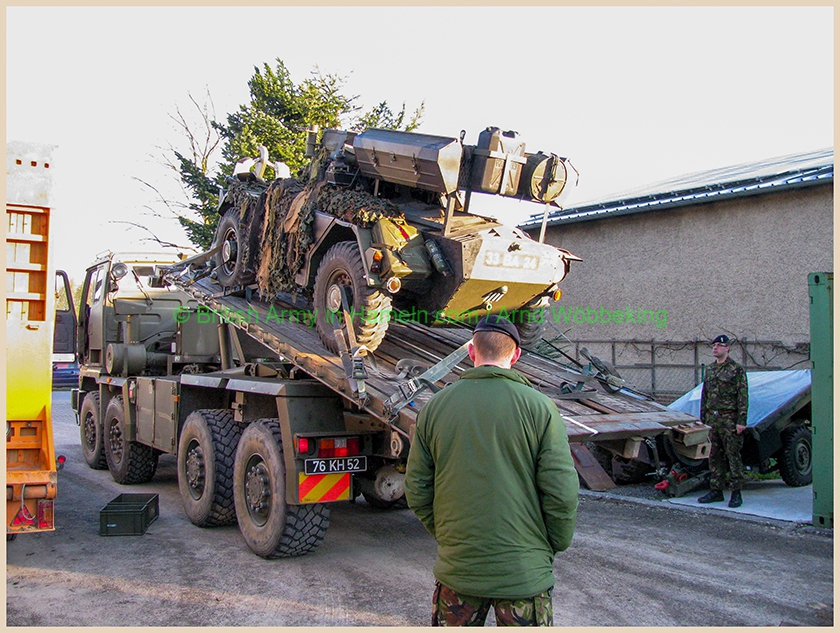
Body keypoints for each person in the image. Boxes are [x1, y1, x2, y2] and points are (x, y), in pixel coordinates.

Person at [404, 315, 579, 627]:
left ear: (471, 352)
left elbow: (417, 489)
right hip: (524, 577)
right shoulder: (541, 408)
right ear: (515, 355)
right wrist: (550, 545)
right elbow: (562, 492)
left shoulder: (434, 407)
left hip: (457, 574)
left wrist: (449, 538)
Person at [697, 334, 749, 508]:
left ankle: (736, 492)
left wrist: (741, 420)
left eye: (719, 345)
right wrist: (703, 418)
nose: (715, 348)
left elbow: (742, 396)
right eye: (714, 345)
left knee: (732, 455)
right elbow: (705, 395)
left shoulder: (736, 369)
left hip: (729, 418)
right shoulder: (710, 369)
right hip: (713, 418)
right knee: (714, 456)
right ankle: (716, 489)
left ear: (727, 348)